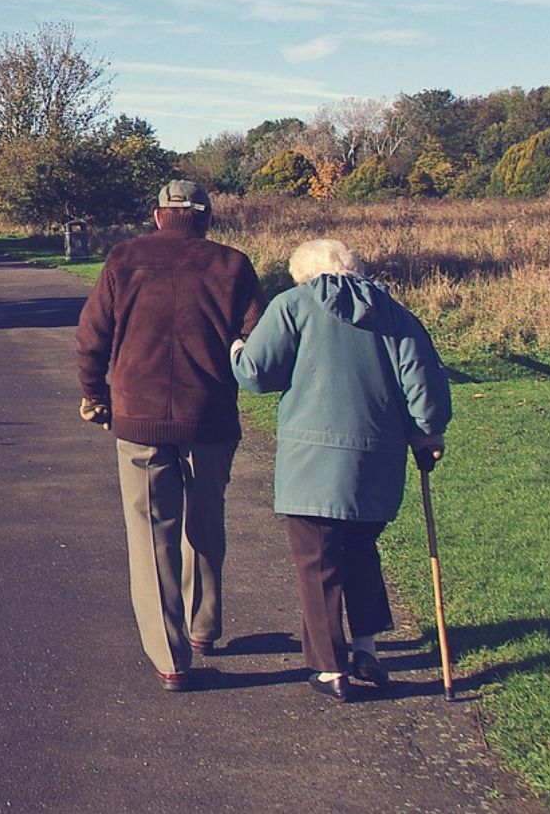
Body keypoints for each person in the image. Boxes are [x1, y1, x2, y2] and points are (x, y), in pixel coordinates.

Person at [229, 238, 452, 702]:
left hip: (311, 462)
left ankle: (330, 668)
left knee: (318, 562)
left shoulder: (293, 305)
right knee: (361, 551)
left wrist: (236, 349)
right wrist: (428, 433)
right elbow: (424, 388)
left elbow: (256, 374)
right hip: (377, 461)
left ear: (304, 275)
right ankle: (366, 648)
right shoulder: (395, 313)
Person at [76, 180, 266, 691]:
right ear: (207, 217)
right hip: (210, 416)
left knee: (151, 535)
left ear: (158, 215)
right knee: (206, 520)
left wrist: (94, 394)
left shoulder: (124, 258)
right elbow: (256, 340)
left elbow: (91, 334)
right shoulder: (233, 264)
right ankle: (203, 626)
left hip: (138, 416)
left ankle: (171, 657)